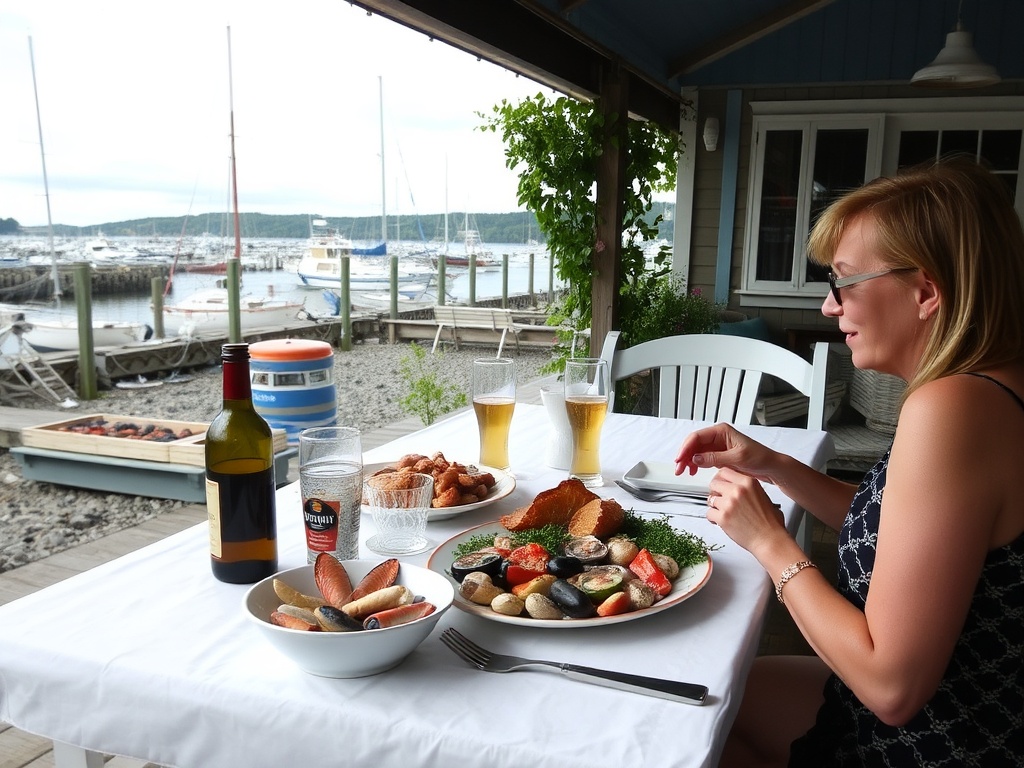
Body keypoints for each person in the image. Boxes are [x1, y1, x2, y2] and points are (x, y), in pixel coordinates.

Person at [675, 157, 1024, 767]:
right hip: (966, 703)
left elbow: (891, 688)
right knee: (703, 701)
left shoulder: (953, 409)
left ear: (926, 291)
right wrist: (774, 464)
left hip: (939, 739)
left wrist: (770, 543)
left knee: (687, 735)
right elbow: (902, 530)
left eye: (844, 282)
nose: (829, 308)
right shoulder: (991, 387)